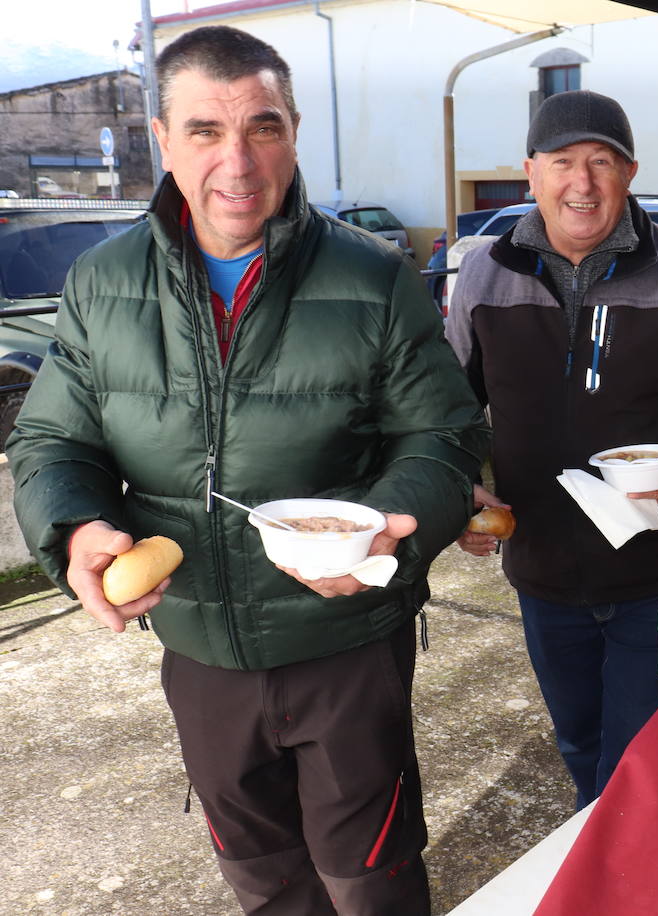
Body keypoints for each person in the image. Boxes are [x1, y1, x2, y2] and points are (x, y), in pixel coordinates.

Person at [5, 26, 489, 915]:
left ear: (294, 132)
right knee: (261, 876)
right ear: (161, 138)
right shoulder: (100, 284)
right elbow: (52, 443)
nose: (237, 160)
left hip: (345, 642)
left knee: (369, 875)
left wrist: (387, 524)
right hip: (199, 648)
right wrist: (73, 527)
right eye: (203, 131)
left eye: (262, 127)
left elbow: (446, 439)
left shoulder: (376, 278)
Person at [445, 90, 658, 810]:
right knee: (579, 743)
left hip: (654, 574)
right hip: (541, 571)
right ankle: (603, 860)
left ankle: (619, 871)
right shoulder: (484, 276)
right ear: (531, 172)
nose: (581, 183)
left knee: (639, 762)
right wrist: (459, 484)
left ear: (630, 173)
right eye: (563, 163)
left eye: (602, 163)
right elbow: (447, 408)